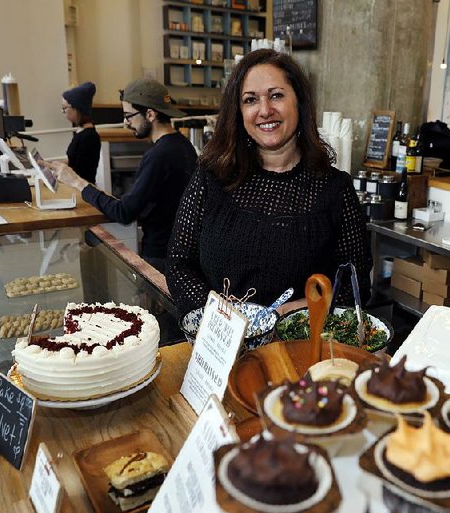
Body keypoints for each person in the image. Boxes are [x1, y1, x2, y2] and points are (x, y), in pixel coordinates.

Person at [165, 49, 371, 315]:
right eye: (250, 100)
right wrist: (220, 317)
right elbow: (179, 264)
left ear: (299, 102)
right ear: (238, 112)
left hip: (298, 347)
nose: (265, 110)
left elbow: (355, 285)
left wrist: (298, 311)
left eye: (276, 95)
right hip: (220, 345)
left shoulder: (335, 189)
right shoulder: (211, 177)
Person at [45, 79, 198, 273]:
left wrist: (77, 181)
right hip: (180, 253)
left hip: (162, 257)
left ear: (150, 114)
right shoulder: (183, 146)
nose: (126, 123)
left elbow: (124, 212)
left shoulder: (160, 155)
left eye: (129, 116)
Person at [60, 81, 101, 184]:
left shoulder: (88, 137)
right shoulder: (82, 133)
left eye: (64, 108)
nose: (63, 112)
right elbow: (73, 161)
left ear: (76, 109)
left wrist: (54, 167)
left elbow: (80, 171)